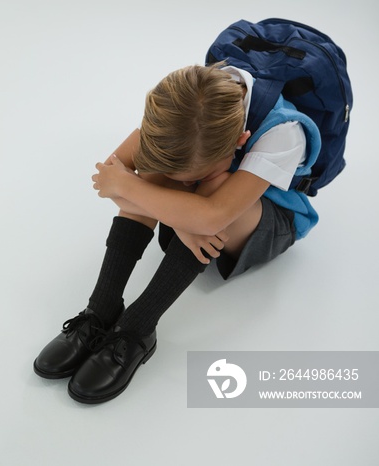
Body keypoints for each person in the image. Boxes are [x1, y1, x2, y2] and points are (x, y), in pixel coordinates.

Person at [33, 62, 321, 404]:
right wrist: (182, 214)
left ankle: (137, 328)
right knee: (157, 170)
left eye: (189, 179)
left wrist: (134, 187)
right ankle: (101, 309)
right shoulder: (183, 105)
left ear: (240, 141)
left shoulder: (284, 132)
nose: (182, 184)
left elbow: (212, 216)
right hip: (205, 211)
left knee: (215, 186)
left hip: (268, 219)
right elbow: (109, 184)